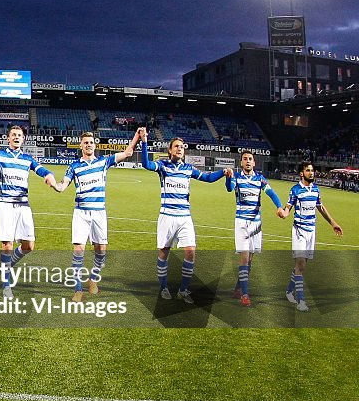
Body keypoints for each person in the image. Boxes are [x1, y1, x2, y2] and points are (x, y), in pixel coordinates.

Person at [140, 128, 231, 303]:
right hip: (167, 216)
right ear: (170, 150)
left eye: (181, 147)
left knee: (190, 252)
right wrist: (144, 142)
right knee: (164, 252)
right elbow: (146, 164)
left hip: (184, 218)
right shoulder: (163, 166)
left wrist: (223, 172)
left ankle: (183, 290)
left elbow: (208, 178)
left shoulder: (189, 169)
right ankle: (164, 288)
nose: (179, 149)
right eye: (176, 146)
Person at [0, 125, 57, 298]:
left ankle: (6, 266)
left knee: (29, 245)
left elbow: (41, 169)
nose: (16, 137)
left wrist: (49, 175)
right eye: (13, 135)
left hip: (23, 205)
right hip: (6, 204)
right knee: (7, 244)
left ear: (23, 139)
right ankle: (6, 284)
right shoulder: (0, 155)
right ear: (8, 138)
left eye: (19, 135)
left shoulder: (28, 158)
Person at [51, 130, 140, 301]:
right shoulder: (74, 166)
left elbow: (128, 153)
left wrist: (136, 136)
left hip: (99, 212)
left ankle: (93, 279)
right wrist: (55, 185)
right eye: (85, 142)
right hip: (81, 212)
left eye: (91, 142)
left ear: (95, 145)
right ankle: (78, 289)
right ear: (81, 146)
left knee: (101, 251)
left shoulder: (103, 162)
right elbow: (64, 186)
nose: (89, 145)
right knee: (78, 250)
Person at [277, 160, 343, 312]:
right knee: (301, 265)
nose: (311, 173)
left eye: (312, 170)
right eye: (308, 170)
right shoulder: (295, 190)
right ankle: (301, 301)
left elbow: (320, 207)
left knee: (301, 267)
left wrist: (333, 223)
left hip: (311, 231)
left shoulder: (316, 190)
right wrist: (283, 214)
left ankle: (288, 291)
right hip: (299, 231)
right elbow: (288, 208)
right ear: (301, 173)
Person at [224, 150, 282, 307]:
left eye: (250, 159)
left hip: (256, 224)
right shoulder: (236, 177)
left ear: (254, 162)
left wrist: (279, 207)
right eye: (245, 159)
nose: (248, 161)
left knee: (250, 259)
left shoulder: (260, 179)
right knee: (244, 257)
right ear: (241, 162)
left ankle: (238, 287)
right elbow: (230, 188)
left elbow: (272, 193)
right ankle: (244, 294)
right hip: (242, 223)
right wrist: (228, 178)